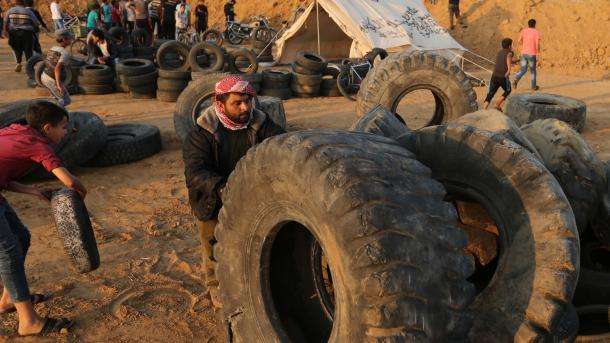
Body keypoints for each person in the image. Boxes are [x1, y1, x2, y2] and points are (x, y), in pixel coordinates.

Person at [183, 76, 285, 305]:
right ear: (220, 102)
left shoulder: (262, 124)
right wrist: (222, 188)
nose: (245, 108)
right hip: (212, 198)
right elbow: (195, 173)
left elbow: (280, 148)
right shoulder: (202, 133)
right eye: (237, 103)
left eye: (248, 102)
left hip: (252, 194)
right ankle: (215, 286)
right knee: (213, 245)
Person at [0, 99, 87, 336]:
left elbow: (3, 177)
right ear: (47, 128)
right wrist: (82, 194)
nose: (66, 132)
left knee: (21, 237)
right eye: (63, 126)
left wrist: (34, 191)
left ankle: (8, 300)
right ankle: (27, 321)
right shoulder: (39, 145)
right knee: (8, 251)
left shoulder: (16, 130)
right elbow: (69, 181)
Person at [3, 0, 40, 72]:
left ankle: (18, 63)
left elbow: (5, 21)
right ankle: (29, 66)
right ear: (23, 3)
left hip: (14, 33)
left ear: (15, 3)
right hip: (27, 33)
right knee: (28, 50)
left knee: (17, 49)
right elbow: (36, 22)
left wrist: (5, 31)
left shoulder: (10, 10)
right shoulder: (28, 11)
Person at [41, 29, 73, 108]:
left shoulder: (53, 48)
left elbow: (48, 61)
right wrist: (58, 85)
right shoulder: (65, 53)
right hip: (52, 79)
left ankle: (54, 112)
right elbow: (57, 68)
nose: (71, 40)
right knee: (65, 100)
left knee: (56, 99)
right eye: (69, 38)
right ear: (64, 39)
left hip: (44, 76)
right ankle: (55, 115)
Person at [483, 38, 514, 111]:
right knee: (508, 90)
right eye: (512, 45)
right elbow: (508, 58)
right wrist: (509, 70)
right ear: (509, 46)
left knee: (491, 93)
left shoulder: (499, 52)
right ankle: (497, 104)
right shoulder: (510, 52)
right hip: (503, 76)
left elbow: (505, 60)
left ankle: (484, 109)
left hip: (494, 75)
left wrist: (515, 61)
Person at [513, 19, 541, 91]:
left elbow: (519, 41)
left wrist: (524, 45)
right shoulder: (536, 32)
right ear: (534, 24)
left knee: (523, 69)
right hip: (532, 54)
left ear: (528, 24)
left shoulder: (524, 31)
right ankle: (533, 87)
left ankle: (516, 78)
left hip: (524, 54)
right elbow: (537, 44)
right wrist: (538, 52)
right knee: (533, 71)